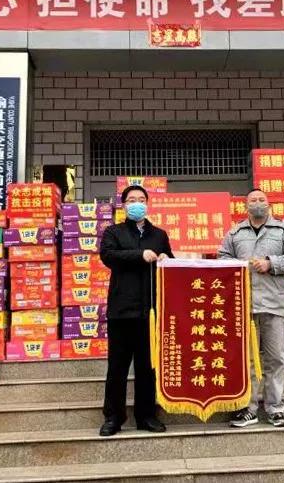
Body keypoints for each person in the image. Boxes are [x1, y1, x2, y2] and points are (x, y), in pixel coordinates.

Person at [218, 188, 284, 428]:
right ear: (246, 206)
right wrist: (238, 265)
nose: (257, 203)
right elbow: (222, 258)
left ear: (268, 204)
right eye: (252, 200)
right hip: (244, 305)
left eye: (261, 199)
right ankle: (249, 408)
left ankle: (275, 408)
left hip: (274, 304)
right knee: (247, 360)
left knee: (275, 358)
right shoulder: (235, 233)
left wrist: (270, 263)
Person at [98, 185, 174, 437]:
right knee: (117, 368)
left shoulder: (159, 234)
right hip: (121, 311)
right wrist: (140, 255)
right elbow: (109, 256)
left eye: (141, 199)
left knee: (147, 367)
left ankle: (146, 416)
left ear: (148, 204)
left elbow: (171, 262)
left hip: (150, 312)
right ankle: (113, 417)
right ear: (123, 205)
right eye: (132, 200)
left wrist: (166, 259)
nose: (137, 204)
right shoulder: (113, 232)